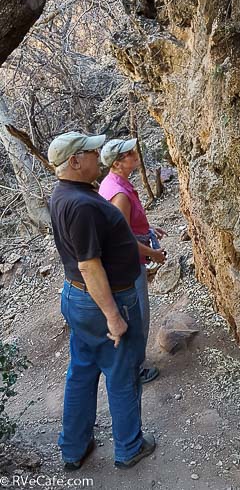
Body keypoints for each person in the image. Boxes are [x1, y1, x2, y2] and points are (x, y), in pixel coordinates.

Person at [48, 131, 155, 471]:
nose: (99, 157)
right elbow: (89, 264)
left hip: (78, 299)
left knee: (82, 371)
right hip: (103, 300)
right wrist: (113, 315)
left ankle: (74, 447)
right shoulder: (81, 205)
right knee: (122, 373)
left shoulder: (64, 195)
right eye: (92, 152)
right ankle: (129, 448)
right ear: (75, 161)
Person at [99, 138, 167, 384]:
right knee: (138, 314)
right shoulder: (119, 194)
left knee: (134, 312)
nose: (135, 154)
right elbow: (123, 239)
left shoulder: (112, 184)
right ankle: (135, 370)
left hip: (123, 261)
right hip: (127, 263)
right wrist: (154, 254)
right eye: (129, 153)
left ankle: (130, 365)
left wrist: (149, 229)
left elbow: (124, 228)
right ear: (118, 163)